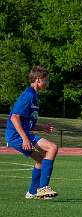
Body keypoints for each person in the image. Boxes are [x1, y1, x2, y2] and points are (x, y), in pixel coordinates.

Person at [5, 66, 59, 199]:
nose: (47, 83)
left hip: (19, 134)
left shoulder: (34, 95)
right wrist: (25, 139)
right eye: (46, 80)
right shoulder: (28, 95)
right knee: (52, 148)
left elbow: (26, 122)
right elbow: (14, 117)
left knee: (40, 159)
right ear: (38, 80)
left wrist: (43, 128)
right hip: (16, 135)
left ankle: (32, 192)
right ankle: (43, 188)